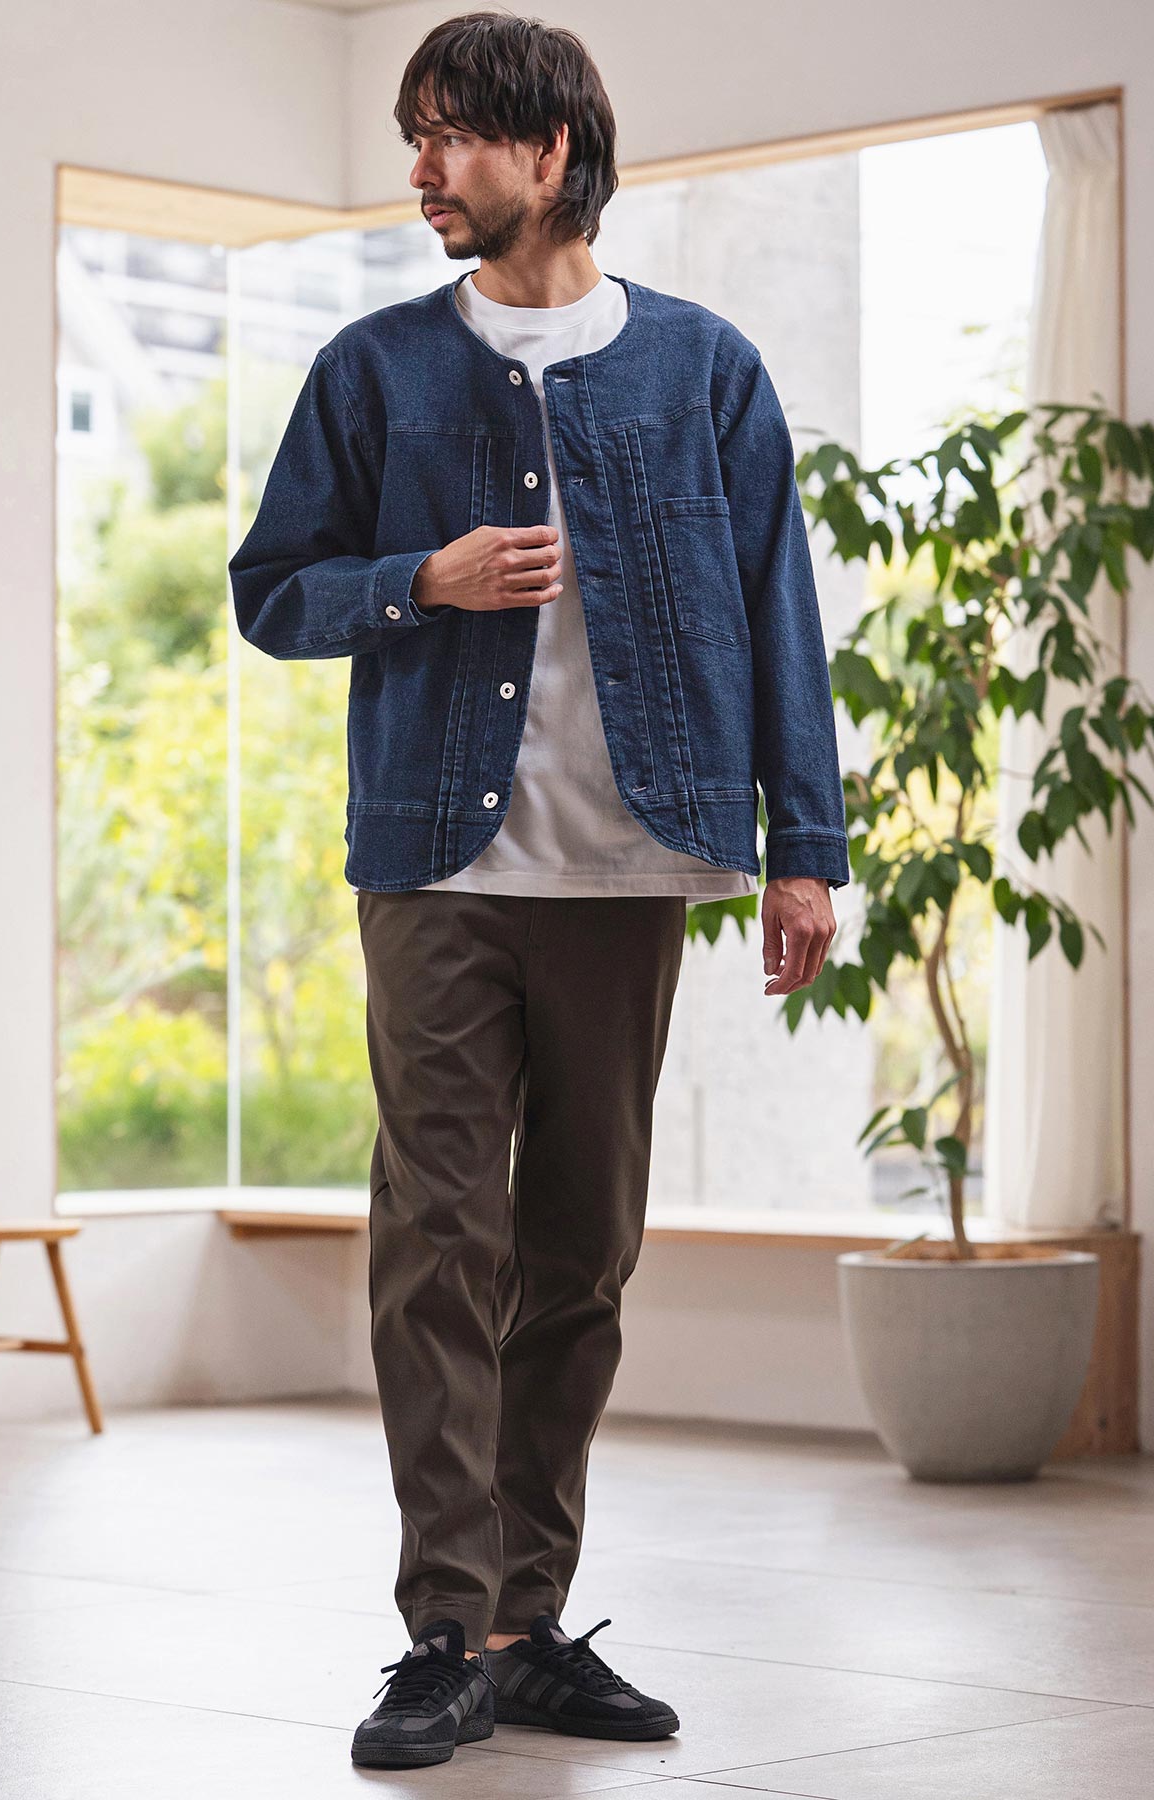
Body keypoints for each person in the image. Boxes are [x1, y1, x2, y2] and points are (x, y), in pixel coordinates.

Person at [228, 11, 849, 1771]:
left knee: (581, 1250)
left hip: (633, 860)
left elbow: (778, 609)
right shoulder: (372, 370)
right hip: (437, 858)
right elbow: (271, 590)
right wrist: (416, 581)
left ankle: (524, 1625)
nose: (422, 172)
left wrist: (806, 845)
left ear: (552, 148)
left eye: (451, 138)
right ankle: (445, 1630)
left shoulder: (706, 370)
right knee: (439, 1237)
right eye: (412, 139)